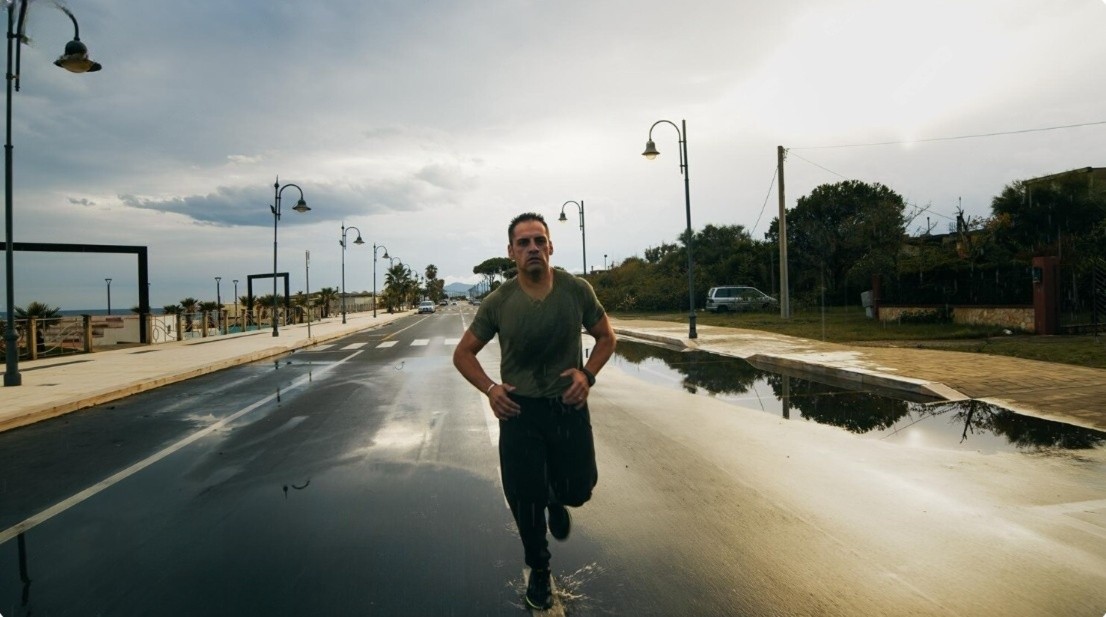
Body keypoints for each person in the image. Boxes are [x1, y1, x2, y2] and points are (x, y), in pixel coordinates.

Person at [453, 212, 617, 610]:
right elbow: (463, 354)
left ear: (550, 247)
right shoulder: (499, 301)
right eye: (523, 243)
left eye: (538, 241)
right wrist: (491, 389)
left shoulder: (576, 291)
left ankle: (556, 498)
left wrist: (587, 375)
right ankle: (539, 570)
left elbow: (606, 338)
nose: (532, 249)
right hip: (519, 412)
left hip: (567, 407)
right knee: (524, 499)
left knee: (580, 488)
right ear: (511, 252)